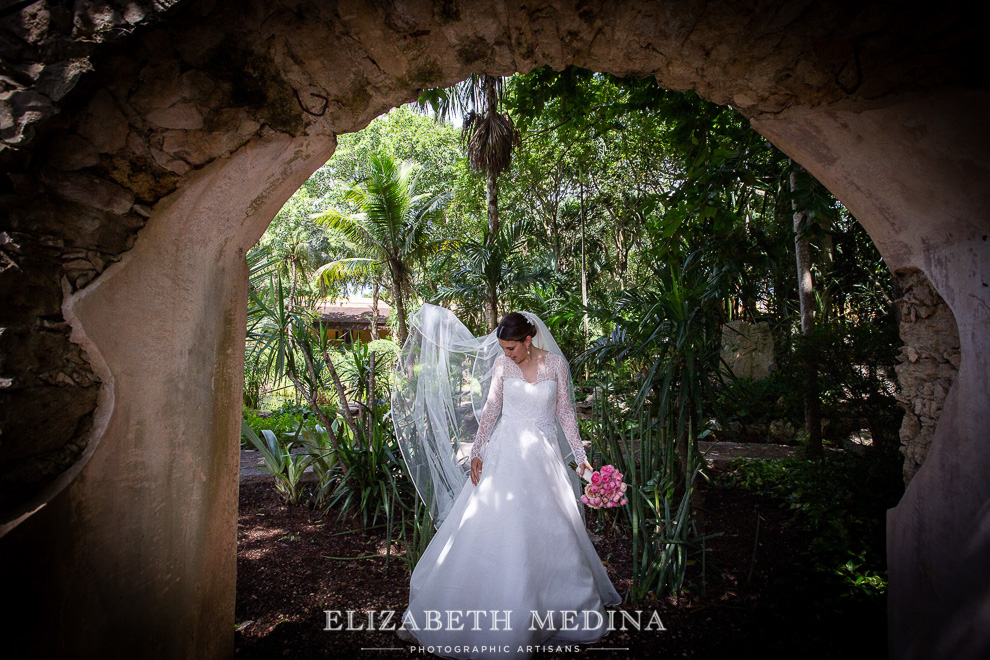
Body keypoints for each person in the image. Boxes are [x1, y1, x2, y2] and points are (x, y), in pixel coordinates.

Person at [391, 305, 621, 659]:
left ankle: (557, 609)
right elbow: (492, 410)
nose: (507, 354)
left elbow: (564, 414)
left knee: (551, 532)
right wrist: (478, 451)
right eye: (503, 349)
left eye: (512, 348)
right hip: (504, 454)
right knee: (493, 528)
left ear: (528, 341)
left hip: (543, 457)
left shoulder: (555, 365)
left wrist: (579, 455)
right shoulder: (502, 365)